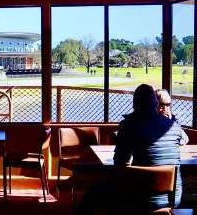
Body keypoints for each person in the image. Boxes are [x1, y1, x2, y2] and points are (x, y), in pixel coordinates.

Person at [76, 84, 183, 214]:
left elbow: (121, 163)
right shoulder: (174, 126)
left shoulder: (128, 125)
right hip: (173, 197)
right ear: (155, 103)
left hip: (139, 197)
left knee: (95, 190)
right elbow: (183, 140)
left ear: (135, 104)